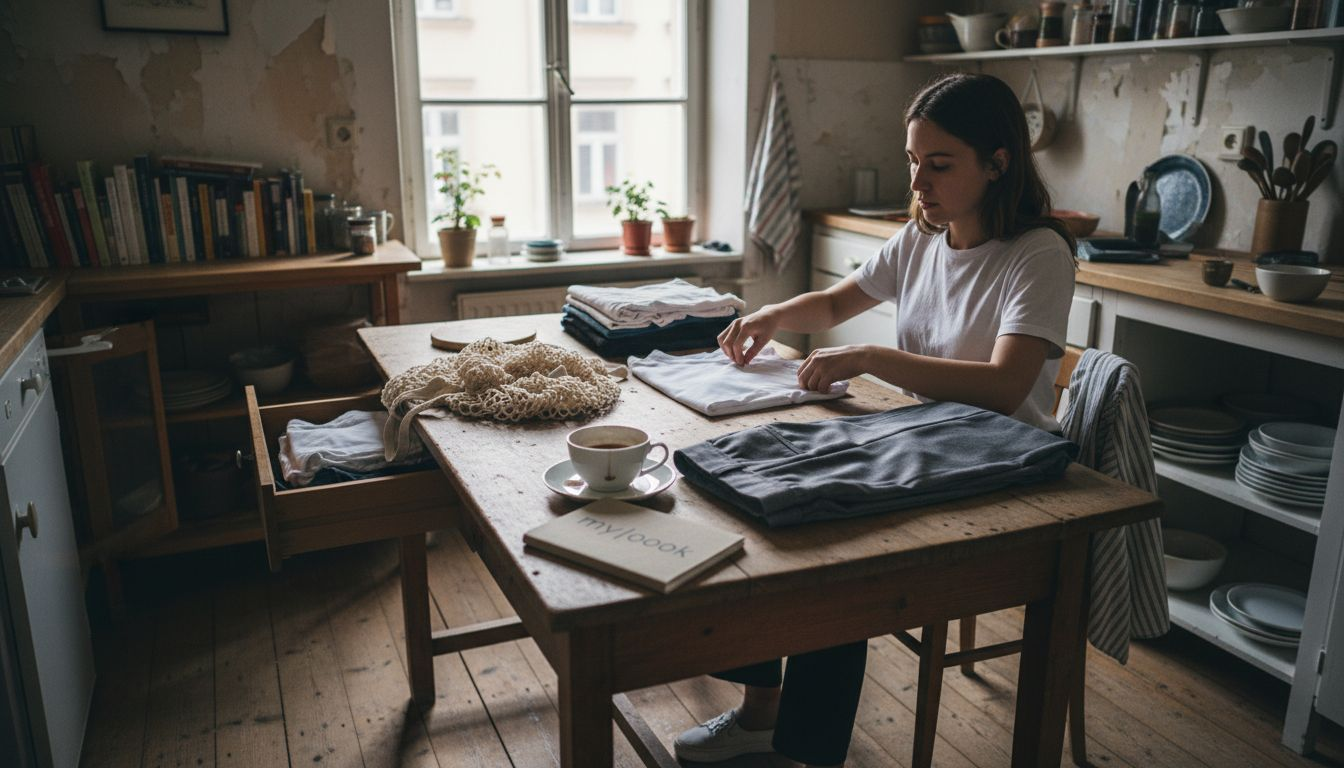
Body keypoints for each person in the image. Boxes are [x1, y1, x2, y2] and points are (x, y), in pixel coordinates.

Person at [672, 72, 1077, 767]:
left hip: (1000, 458)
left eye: (940, 165)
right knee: (761, 489)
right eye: (914, 161)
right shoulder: (923, 238)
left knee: (832, 542)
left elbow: (1008, 389)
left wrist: (872, 358)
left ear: (998, 162)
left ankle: (797, 744)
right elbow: (832, 307)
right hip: (925, 440)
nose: (919, 182)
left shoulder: (1037, 253)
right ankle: (764, 713)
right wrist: (768, 316)